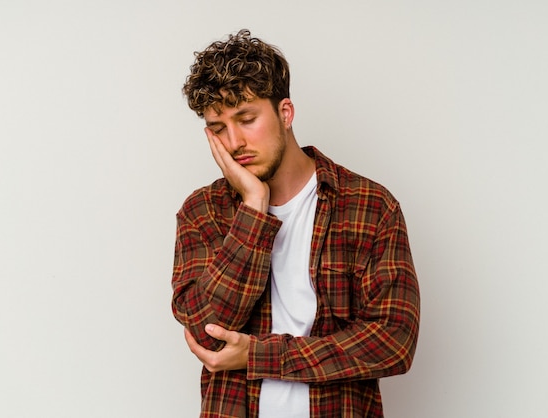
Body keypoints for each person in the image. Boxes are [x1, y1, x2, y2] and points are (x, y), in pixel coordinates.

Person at [171, 29, 420, 418]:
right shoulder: (203, 211)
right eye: (218, 128)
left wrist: (260, 355)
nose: (234, 142)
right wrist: (254, 208)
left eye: (247, 119)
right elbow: (207, 331)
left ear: (285, 113)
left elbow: (393, 341)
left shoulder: (369, 206)